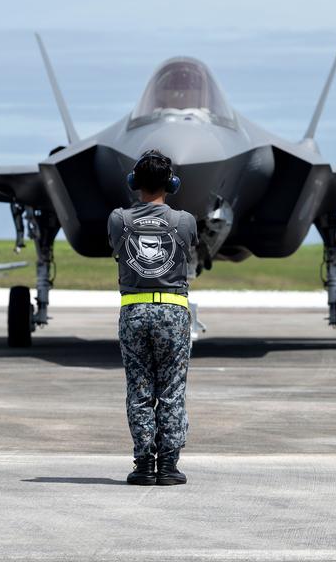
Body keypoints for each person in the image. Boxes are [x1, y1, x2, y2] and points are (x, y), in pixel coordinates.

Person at [108, 149, 198, 486]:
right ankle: (169, 467)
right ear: (172, 184)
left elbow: (115, 246)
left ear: (134, 182)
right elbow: (190, 248)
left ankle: (144, 465)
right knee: (172, 389)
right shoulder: (184, 221)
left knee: (139, 389)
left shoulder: (119, 219)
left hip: (133, 309)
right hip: (173, 311)